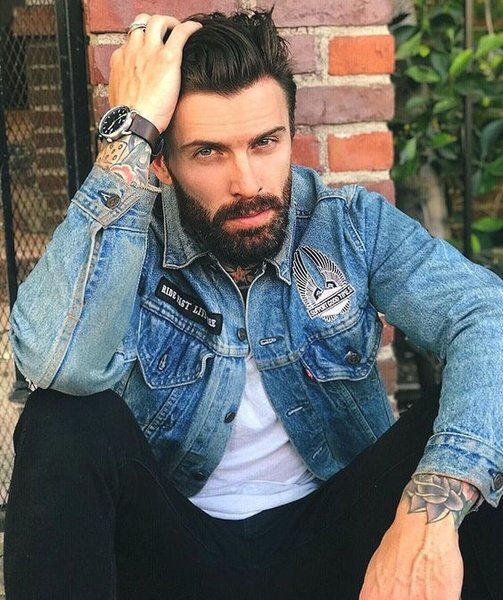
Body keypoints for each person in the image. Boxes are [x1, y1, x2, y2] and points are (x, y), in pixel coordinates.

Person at [4, 9, 503, 600]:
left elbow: (485, 315)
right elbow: (57, 366)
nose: (247, 182)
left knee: (484, 427)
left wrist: (433, 509)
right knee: (61, 419)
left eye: (266, 143)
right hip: (176, 554)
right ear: (161, 162)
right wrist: (129, 134)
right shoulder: (125, 245)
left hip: (340, 542)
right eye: (208, 152)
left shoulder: (349, 226)